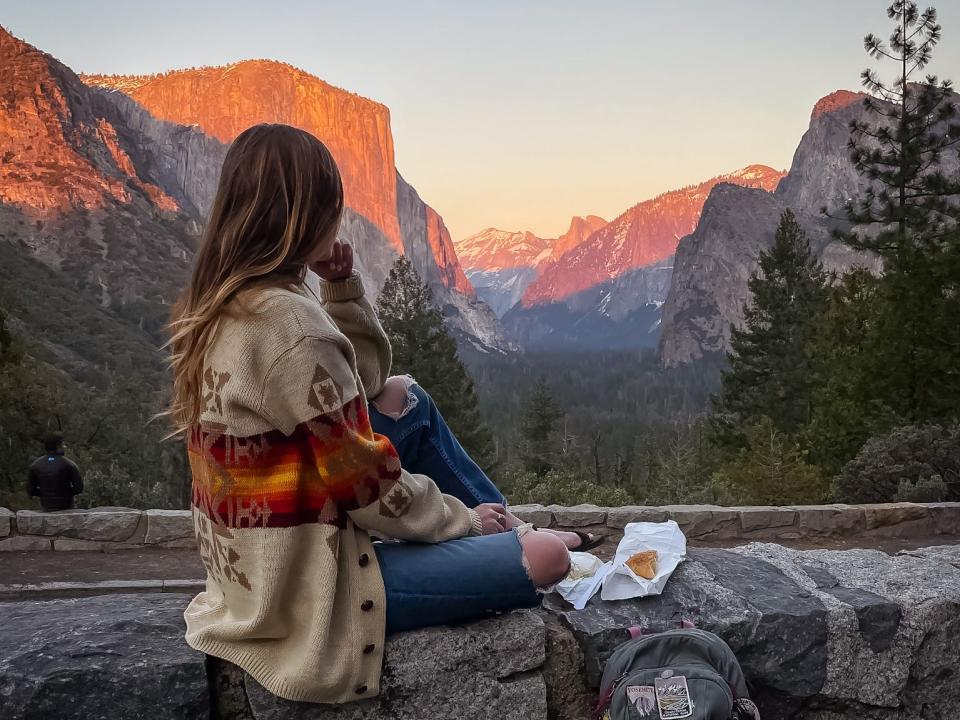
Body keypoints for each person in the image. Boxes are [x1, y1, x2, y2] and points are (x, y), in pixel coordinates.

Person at [167, 124, 593, 706]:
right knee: (550, 559)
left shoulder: (226, 302)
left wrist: (341, 290)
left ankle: (508, 528)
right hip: (311, 590)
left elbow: (361, 385)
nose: (339, 220)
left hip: (254, 568)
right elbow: (365, 488)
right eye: (332, 206)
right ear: (307, 215)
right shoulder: (291, 330)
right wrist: (461, 522)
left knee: (402, 396)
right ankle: (516, 535)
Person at [27, 432, 83, 511]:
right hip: (66, 507)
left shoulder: (35, 465)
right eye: (63, 445)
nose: (64, 447)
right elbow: (79, 488)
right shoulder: (70, 464)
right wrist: (65, 493)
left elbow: (30, 490)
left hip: (46, 507)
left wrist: (44, 493)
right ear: (58, 446)